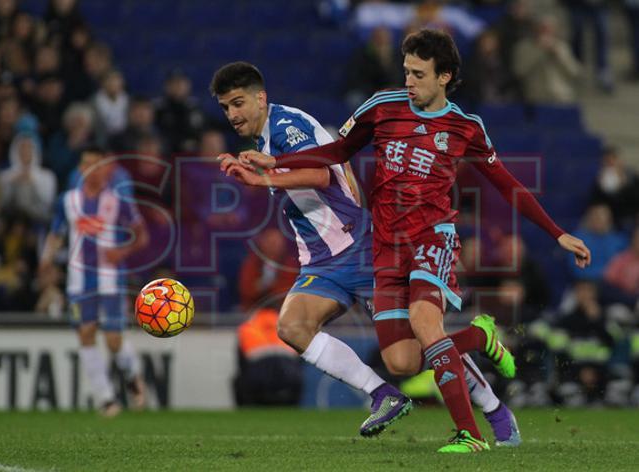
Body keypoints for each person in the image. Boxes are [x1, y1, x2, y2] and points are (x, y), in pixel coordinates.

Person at [234, 30, 591, 452]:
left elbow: (508, 185)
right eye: (406, 71)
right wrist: (276, 161)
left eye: (418, 74)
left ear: (445, 77)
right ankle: (478, 339)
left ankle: (469, 434)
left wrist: (558, 232)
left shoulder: (465, 127)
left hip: (432, 238)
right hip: (385, 246)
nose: (408, 81)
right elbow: (337, 152)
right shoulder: (382, 108)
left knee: (426, 322)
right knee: (401, 361)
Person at [213, 61, 520, 445]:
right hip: (322, 260)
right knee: (292, 327)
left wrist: (263, 179)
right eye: (226, 107)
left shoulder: (285, 127)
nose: (233, 114)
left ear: (261, 98)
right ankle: (383, 394)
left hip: (359, 250)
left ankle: (491, 394)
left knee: (411, 354)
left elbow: (321, 174)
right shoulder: (263, 140)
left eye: (238, 103)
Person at [39, 145, 149, 416]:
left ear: (107, 169)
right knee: (86, 334)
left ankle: (132, 376)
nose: (93, 171)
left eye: (98, 165)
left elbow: (141, 235)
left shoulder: (118, 201)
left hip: (110, 279)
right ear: (80, 169)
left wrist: (122, 251)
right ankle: (106, 399)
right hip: (79, 281)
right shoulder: (68, 201)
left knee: (113, 339)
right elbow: (56, 233)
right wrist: (46, 260)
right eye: (87, 165)